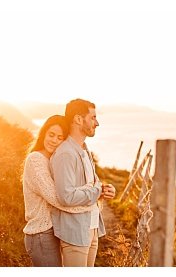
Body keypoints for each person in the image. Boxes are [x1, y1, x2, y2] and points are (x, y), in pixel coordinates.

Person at [21, 115, 98, 266]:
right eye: (51, 135)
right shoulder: (36, 160)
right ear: (43, 133)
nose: (54, 140)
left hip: (56, 231)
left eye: (59, 137)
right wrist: (92, 201)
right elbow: (58, 199)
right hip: (41, 234)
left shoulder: (55, 160)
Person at [50, 99, 115, 267]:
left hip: (91, 226)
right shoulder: (66, 154)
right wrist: (96, 191)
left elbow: (93, 183)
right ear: (78, 119)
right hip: (75, 231)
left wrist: (104, 189)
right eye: (93, 117)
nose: (97, 123)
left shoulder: (84, 149)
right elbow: (66, 196)